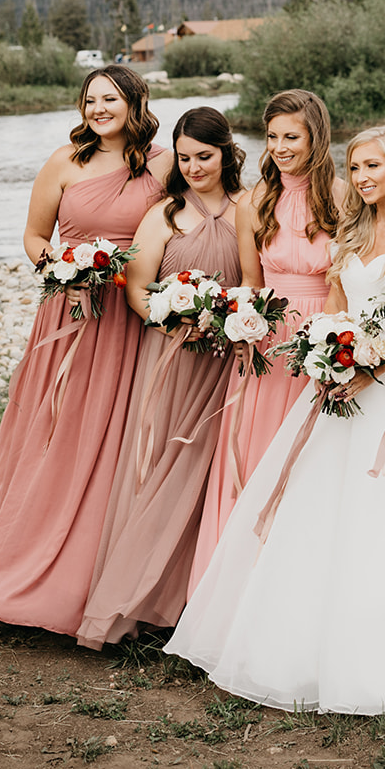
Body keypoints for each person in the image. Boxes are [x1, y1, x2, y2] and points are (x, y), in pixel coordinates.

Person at [165, 128, 385, 715]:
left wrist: (372, 366)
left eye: (374, 165)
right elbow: (334, 307)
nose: (364, 176)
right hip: (340, 381)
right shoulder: (349, 234)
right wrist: (328, 353)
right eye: (356, 166)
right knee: (321, 508)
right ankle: (306, 641)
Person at [0, 66, 171, 635]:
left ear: (135, 102)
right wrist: (61, 268)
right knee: (57, 433)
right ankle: (22, 564)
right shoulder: (64, 162)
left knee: (121, 436)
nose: (98, 109)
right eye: (90, 99)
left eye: (110, 99)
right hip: (71, 318)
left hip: (131, 319)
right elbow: (34, 237)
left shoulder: (163, 162)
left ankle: (107, 575)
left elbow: (200, 214)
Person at [77, 106, 246, 650]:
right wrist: (175, 317)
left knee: (208, 472)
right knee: (154, 466)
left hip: (226, 357)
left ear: (226, 153)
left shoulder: (250, 209)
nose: (195, 167)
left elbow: (260, 284)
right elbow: (137, 288)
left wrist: (223, 319)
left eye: (206, 156)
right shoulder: (164, 214)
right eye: (187, 157)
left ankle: (190, 603)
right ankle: (136, 602)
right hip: (169, 355)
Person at [187, 89, 342, 589]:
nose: (279, 146)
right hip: (270, 340)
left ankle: (305, 583)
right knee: (259, 451)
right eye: (272, 136)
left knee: (317, 453)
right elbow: (251, 282)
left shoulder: (344, 196)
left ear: (315, 136)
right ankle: (241, 585)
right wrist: (243, 327)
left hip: (326, 332)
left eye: (291, 136)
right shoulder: (254, 201)